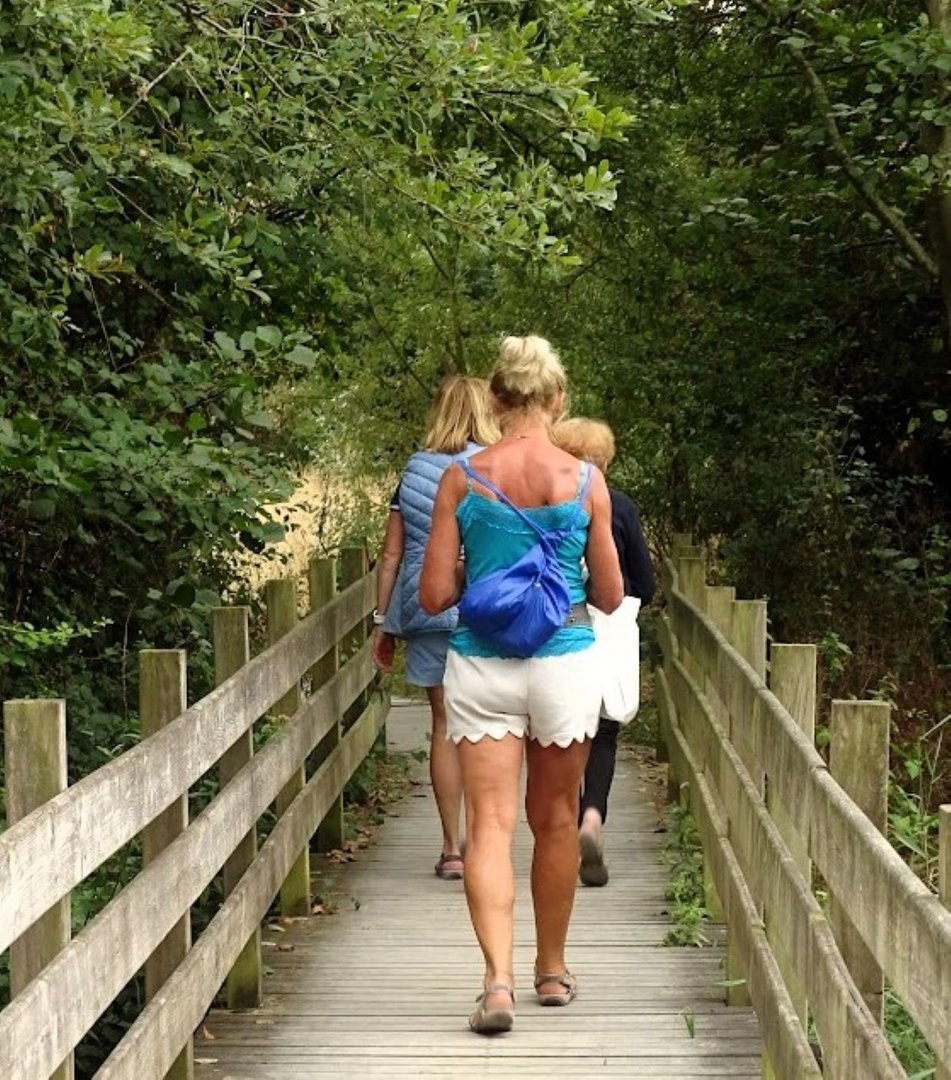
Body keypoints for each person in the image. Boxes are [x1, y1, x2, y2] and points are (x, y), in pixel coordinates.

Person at [420, 335, 623, 1034]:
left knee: (492, 825)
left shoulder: (462, 479)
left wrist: (490, 580)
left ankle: (497, 983)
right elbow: (608, 592)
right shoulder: (586, 483)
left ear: (496, 400)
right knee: (557, 819)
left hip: (481, 663)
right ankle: (553, 971)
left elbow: (435, 591)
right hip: (563, 660)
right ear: (558, 400)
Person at [372, 375, 500, 881]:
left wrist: (383, 622)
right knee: (489, 724)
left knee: (444, 725)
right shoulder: (497, 467)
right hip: (484, 609)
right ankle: (485, 841)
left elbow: (391, 554)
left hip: (426, 608)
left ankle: (451, 848)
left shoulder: (415, 470)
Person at [552, 417, 656, 887]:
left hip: (562, 626)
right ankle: (592, 818)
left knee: (563, 732)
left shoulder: (547, 505)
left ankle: (564, 826)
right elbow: (646, 583)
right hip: (609, 627)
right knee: (605, 731)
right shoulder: (621, 507)